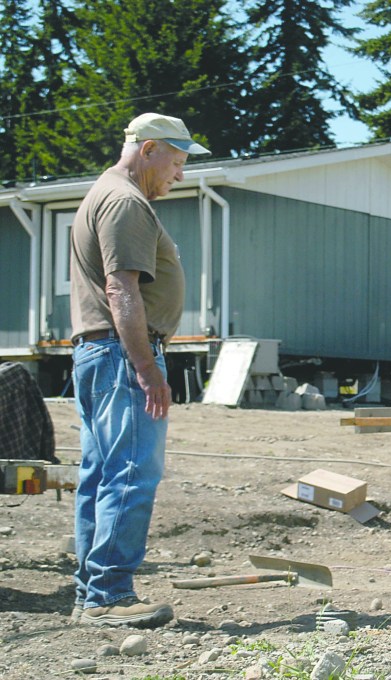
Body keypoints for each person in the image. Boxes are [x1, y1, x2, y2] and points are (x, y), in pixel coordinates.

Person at [69, 112, 210, 627]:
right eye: (176, 161)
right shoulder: (126, 201)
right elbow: (121, 287)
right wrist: (147, 369)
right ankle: (108, 595)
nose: (180, 174)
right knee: (132, 472)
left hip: (101, 353)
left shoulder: (105, 193)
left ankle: (91, 594)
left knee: (102, 475)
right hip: (121, 355)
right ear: (148, 150)